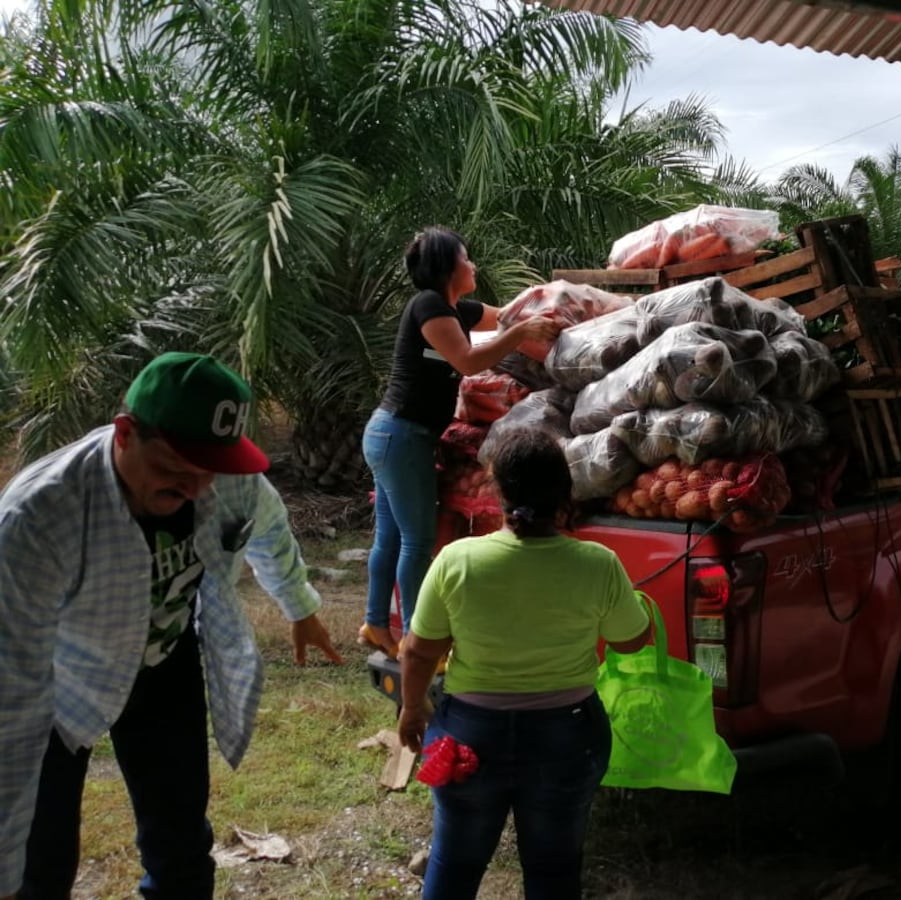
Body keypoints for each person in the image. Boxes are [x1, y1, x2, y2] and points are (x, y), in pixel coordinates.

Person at [0, 351, 344, 900]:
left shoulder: (224, 480)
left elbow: (269, 527)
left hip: (163, 663)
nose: (196, 489)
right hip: (60, 684)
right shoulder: (38, 517)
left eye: (210, 470)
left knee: (181, 844)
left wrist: (300, 607)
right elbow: (10, 690)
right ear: (125, 433)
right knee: (36, 864)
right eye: (175, 470)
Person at [397, 427, 653, 900]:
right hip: (567, 738)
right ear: (564, 493)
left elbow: (418, 650)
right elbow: (633, 641)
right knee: (554, 870)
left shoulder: (458, 561)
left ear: (496, 491)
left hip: (470, 738)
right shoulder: (598, 564)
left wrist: (412, 709)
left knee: (454, 862)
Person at [359, 227, 557, 658]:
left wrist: (553, 305)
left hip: (394, 435)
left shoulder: (456, 310)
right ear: (449, 266)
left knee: (389, 538)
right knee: (414, 539)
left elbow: (503, 315)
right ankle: (416, 640)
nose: (474, 265)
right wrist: (520, 331)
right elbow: (468, 361)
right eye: (467, 259)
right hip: (400, 435)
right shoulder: (428, 307)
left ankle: (376, 624)